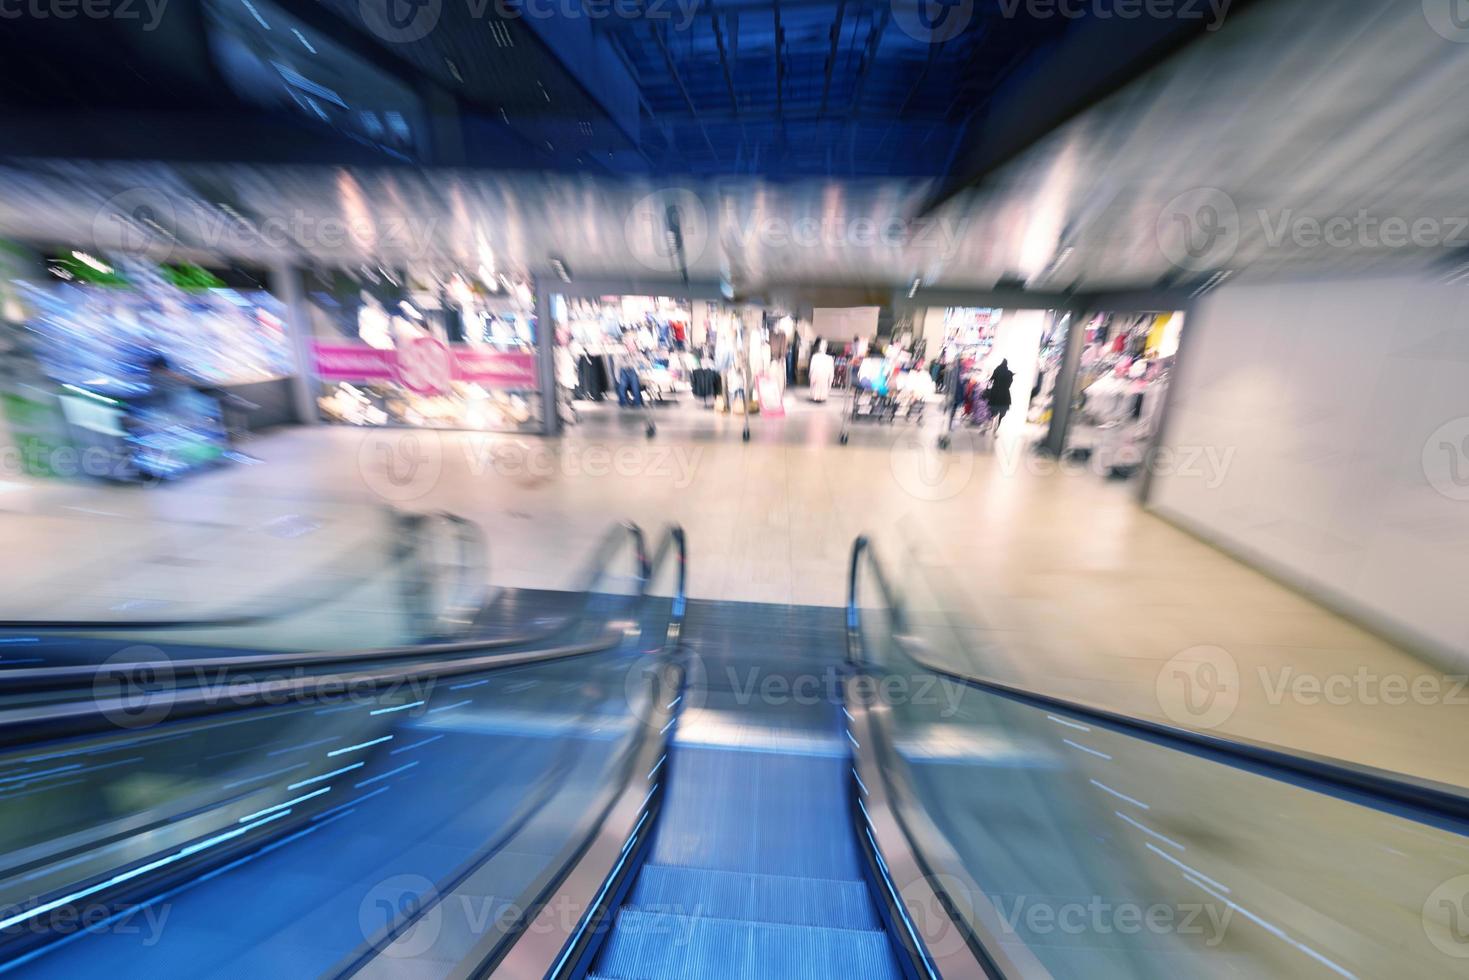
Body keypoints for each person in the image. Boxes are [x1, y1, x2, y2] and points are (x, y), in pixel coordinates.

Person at [984, 358, 1015, 432]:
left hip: (995, 393)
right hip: (1005, 394)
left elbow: (991, 379)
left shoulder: (997, 370)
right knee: (1002, 412)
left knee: (993, 410)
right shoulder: (1009, 373)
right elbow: (1010, 383)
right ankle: (997, 427)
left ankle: (990, 423)